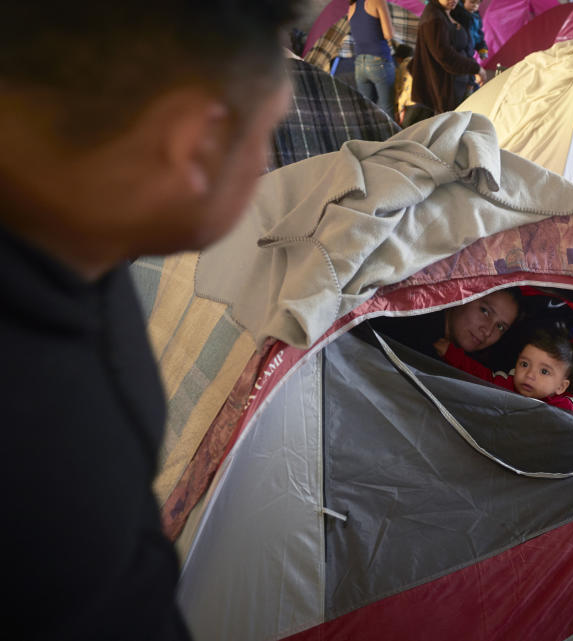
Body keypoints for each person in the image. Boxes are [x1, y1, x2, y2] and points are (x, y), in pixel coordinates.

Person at [0, 2, 300, 639]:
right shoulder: (48, 461)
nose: (265, 165)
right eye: (268, 134)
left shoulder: (81, 247)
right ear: (197, 144)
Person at [435, 326, 573, 414]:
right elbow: (479, 376)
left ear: (561, 386)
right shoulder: (507, 384)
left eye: (544, 372)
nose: (529, 375)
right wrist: (451, 353)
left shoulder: (566, 409)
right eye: (524, 364)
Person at [371, 289, 520, 364]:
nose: (488, 331)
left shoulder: (463, 367)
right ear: (466, 295)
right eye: (485, 311)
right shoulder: (405, 322)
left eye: (500, 327)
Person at [409, 0, 486, 123]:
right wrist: (476, 68)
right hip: (443, 91)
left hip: (457, 85)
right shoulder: (434, 18)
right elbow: (445, 56)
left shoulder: (452, 12)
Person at [348, 0, 397, 118]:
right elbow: (388, 34)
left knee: (367, 110)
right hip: (379, 61)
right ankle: (390, 136)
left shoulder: (351, 7)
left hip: (359, 64)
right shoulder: (378, 1)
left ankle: (369, 135)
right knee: (387, 109)